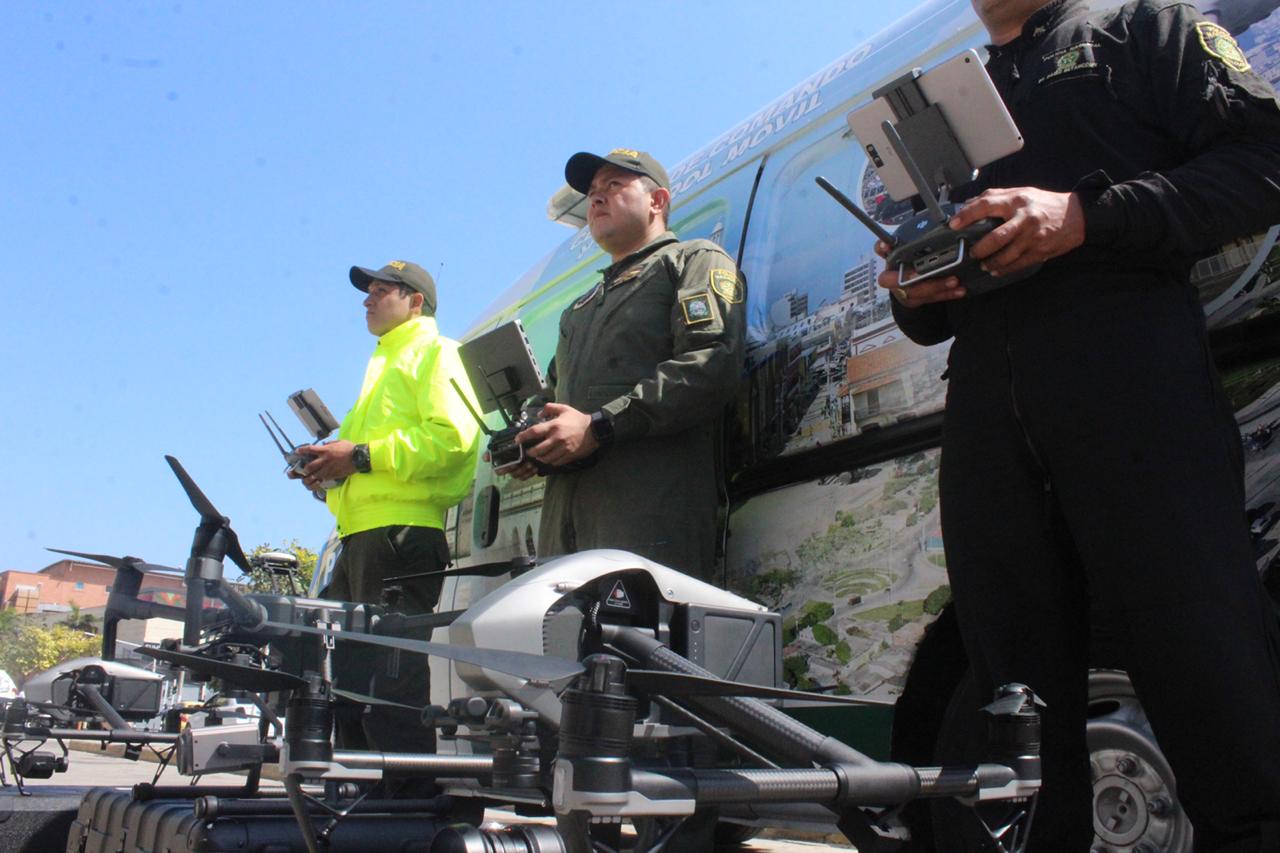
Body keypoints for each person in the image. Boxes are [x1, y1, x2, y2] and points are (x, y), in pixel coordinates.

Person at [880, 1, 1280, 848]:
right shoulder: (947, 98)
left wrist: (1086, 217)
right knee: (1008, 698)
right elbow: (926, 315)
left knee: (1206, 660)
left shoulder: (1140, 26)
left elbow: (1265, 164)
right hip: (988, 411)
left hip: (1134, 380)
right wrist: (911, 286)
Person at [505, 149, 746, 582]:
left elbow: (710, 362)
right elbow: (553, 397)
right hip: (566, 529)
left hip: (647, 518)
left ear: (657, 201)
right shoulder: (580, 308)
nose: (596, 199)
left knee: (642, 646)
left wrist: (600, 426)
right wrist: (534, 444)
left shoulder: (692, 261)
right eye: (593, 193)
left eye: (613, 186)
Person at [294, 259, 480, 759]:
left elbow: (453, 442)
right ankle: (358, 796)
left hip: (401, 537)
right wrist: (325, 476)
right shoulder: (383, 365)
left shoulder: (438, 354)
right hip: (360, 538)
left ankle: (407, 805)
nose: (367, 299)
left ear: (415, 301)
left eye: (381, 289)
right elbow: (368, 467)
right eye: (367, 291)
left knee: (391, 684)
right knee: (343, 681)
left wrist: (354, 456)